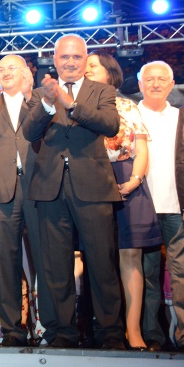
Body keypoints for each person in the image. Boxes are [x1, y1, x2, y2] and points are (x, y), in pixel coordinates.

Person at [22, 34, 124, 350]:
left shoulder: (102, 90)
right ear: (54, 60)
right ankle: (62, 333)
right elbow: (29, 132)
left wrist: (72, 105)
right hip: (50, 188)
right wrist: (48, 103)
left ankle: (109, 333)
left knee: (102, 263)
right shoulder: (39, 94)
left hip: (93, 187)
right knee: (55, 266)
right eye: (64, 57)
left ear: (85, 59)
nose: (70, 62)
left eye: (76, 57)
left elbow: (110, 124)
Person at [0, 55, 55, 347]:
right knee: (6, 262)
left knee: (45, 259)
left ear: (27, 74)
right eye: (1, 69)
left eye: (11, 68)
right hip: (1, 189)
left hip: (39, 185)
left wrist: (32, 97)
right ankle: (11, 331)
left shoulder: (40, 98)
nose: (4, 73)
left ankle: (51, 328)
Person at [85, 51, 161, 350]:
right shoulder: (79, 105)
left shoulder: (128, 106)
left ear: (109, 72)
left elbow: (142, 149)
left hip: (128, 179)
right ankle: (106, 329)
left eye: (93, 66)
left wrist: (135, 180)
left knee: (130, 257)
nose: (87, 70)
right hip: (91, 182)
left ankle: (134, 330)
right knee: (97, 259)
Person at [137, 60, 184, 351]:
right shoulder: (130, 116)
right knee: (148, 275)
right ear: (139, 84)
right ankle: (152, 335)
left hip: (177, 207)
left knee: (181, 273)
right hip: (142, 208)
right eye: (149, 79)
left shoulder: (180, 116)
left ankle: (182, 335)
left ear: (171, 84)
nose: (155, 84)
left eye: (161, 79)